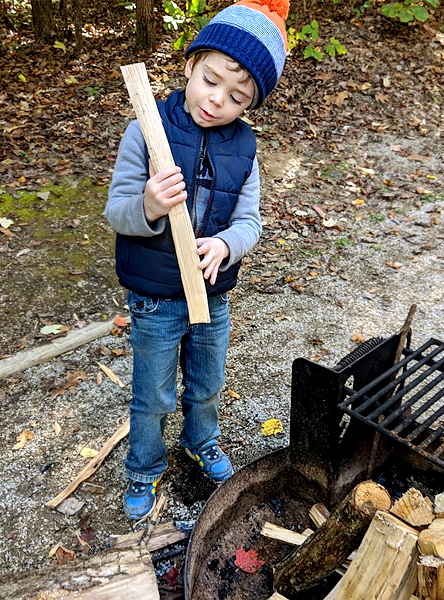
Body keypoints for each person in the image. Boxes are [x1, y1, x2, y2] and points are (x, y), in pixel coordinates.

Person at [105, 0, 289, 520]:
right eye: (210, 80)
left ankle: (200, 441)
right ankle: (144, 467)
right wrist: (150, 205)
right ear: (189, 65)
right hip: (155, 298)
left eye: (237, 97)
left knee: (207, 385)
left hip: (211, 294)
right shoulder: (147, 129)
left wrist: (227, 245)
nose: (217, 101)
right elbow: (116, 211)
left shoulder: (245, 150)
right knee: (154, 395)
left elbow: (250, 222)